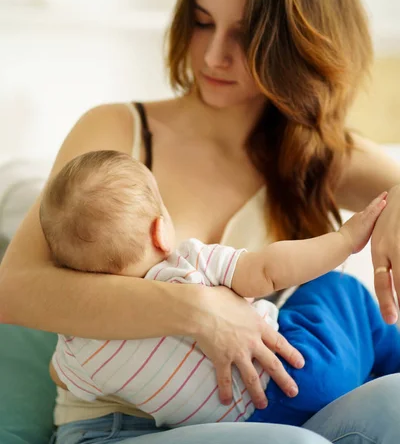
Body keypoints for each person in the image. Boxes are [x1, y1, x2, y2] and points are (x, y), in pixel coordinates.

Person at [1, 0, 400, 444]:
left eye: (243, 34)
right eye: (201, 22)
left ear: (293, 40)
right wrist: (197, 309)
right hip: (123, 427)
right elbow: (15, 288)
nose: (213, 56)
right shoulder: (119, 131)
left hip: (263, 413)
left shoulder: (313, 152)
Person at [40, 149, 399, 429]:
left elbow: (60, 377)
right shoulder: (186, 263)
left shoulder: (81, 345)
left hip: (249, 423)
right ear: (160, 231)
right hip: (300, 369)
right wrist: (343, 238)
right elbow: (269, 270)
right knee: (333, 287)